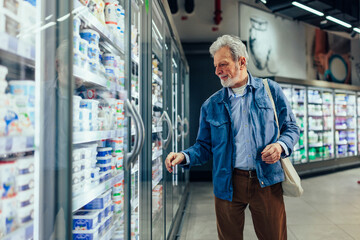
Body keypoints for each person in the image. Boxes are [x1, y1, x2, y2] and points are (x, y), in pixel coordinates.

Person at [165, 35, 300, 240]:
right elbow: (204, 146)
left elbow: (291, 128)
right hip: (228, 182)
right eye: (216, 66)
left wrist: (281, 146)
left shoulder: (270, 91)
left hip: (266, 180)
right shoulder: (211, 105)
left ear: (242, 61)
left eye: (223, 64)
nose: (218, 71)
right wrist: (184, 156)